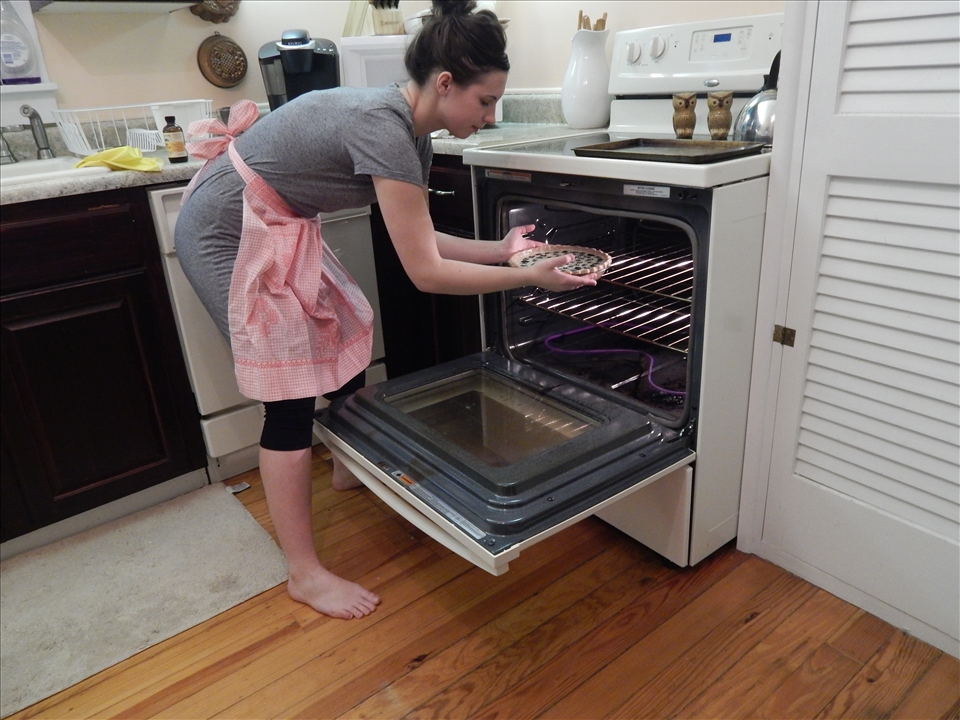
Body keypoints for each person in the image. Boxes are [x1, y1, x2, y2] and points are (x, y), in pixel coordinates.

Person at [174, 0, 598, 620]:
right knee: (290, 398)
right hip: (227, 227)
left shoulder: (414, 135)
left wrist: (503, 250)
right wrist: (525, 278)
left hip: (280, 221)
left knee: (346, 339)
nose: (490, 115)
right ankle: (305, 573)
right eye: (484, 101)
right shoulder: (382, 125)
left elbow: (417, 235)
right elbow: (425, 273)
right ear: (445, 83)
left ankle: (348, 468)